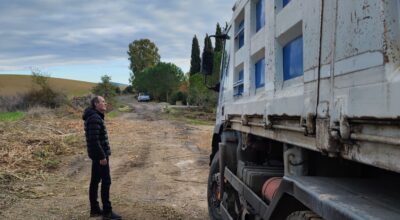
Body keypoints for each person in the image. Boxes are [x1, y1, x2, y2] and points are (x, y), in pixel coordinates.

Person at [82, 96, 122, 220]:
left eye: (105, 101)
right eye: (103, 101)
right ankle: (107, 212)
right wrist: (102, 156)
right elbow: (94, 140)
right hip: (100, 156)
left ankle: (94, 209)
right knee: (106, 181)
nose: (105, 103)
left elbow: (95, 138)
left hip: (97, 155)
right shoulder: (94, 118)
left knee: (95, 181)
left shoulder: (94, 116)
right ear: (96, 104)